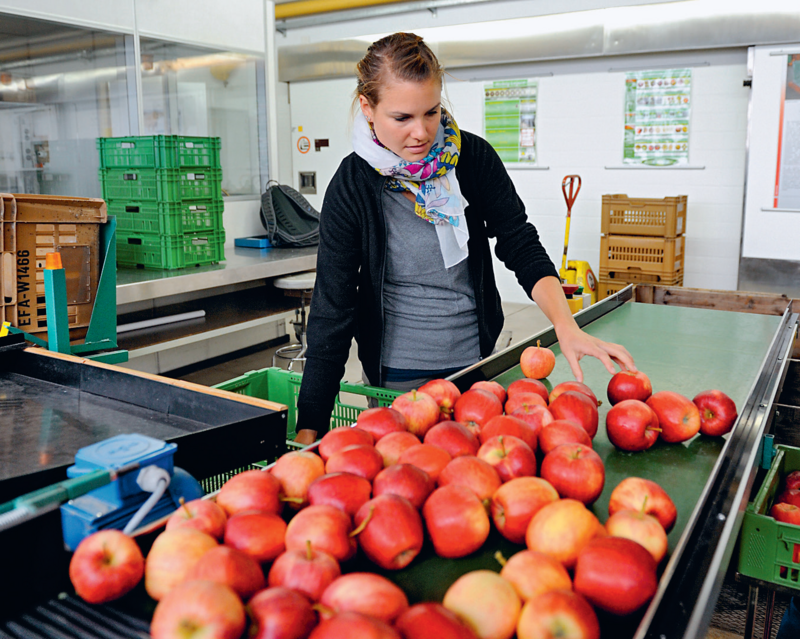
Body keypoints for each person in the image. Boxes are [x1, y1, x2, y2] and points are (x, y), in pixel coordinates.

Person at [294, 32, 634, 443]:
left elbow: (518, 241)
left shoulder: (471, 159)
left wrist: (566, 325)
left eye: (431, 112)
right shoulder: (352, 186)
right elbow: (333, 308)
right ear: (368, 108)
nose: (420, 132)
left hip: (476, 365)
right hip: (398, 378)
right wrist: (309, 428)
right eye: (402, 118)